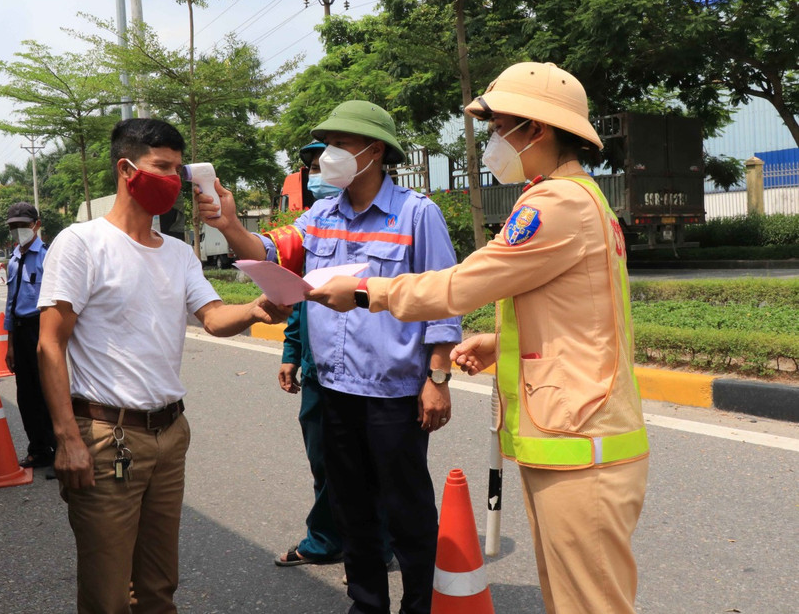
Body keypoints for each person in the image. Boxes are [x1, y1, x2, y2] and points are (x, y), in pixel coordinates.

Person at [308, 62, 650, 614]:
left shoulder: (554, 203)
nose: (492, 142)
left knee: (588, 604)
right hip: (583, 435)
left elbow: (462, 283)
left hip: (581, 439)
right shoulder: (583, 197)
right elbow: (583, 313)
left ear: (534, 130)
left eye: (498, 129)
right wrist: (499, 342)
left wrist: (369, 292)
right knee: (571, 599)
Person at [199, 101, 462, 614]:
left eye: (341, 144)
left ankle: (420, 606)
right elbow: (271, 251)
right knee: (352, 509)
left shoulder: (417, 214)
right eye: (329, 145)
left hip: (393, 393)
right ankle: (367, 605)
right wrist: (231, 226)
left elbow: (443, 302)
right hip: (336, 387)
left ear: (375, 150)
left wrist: (438, 377)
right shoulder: (321, 214)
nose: (329, 155)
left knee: (406, 510)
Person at [37, 118, 291, 614]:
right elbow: (50, 344)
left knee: (157, 586)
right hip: (107, 436)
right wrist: (67, 437)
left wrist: (257, 309)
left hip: (170, 434)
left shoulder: (177, 253)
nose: (174, 181)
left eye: (179, 170)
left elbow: (215, 318)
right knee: (107, 594)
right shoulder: (81, 243)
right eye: (163, 167)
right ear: (125, 168)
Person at [274, 141, 345, 568]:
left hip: (372, 373)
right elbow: (300, 296)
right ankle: (326, 539)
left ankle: (380, 546)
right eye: (313, 168)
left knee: (375, 465)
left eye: (327, 165)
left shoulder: (404, 215)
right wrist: (291, 349)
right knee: (323, 461)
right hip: (318, 368)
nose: (319, 175)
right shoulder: (312, 223)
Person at [4, 202, 55, 470]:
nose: (18, 231)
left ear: (36, 224)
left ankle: (60, 452)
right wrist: (10, 345)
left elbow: (56, 302)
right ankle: (38, 450)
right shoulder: (13, 259)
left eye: (23, 225)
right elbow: (10, 305)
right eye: (13, 227)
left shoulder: (48, 256)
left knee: (49, 392)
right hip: (21, 333)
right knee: (26, 396)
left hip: (42, 328)